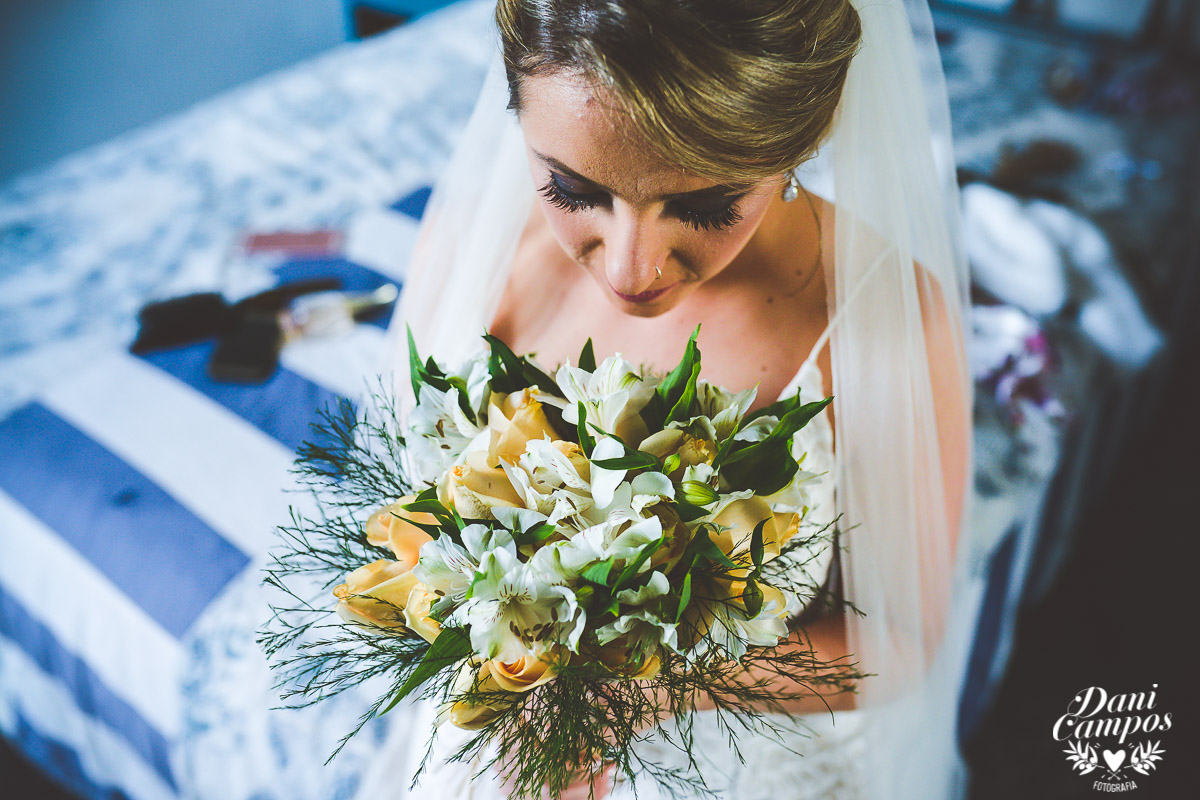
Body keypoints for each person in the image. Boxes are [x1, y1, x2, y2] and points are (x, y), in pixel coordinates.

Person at [364, 0, 975, 798]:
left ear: (806, 137)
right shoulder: (465, 239)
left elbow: (900, 642)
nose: (630, 267)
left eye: (704, 205)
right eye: (570, 189)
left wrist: (643, 696)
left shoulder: (887, 323)